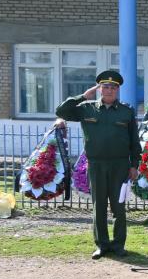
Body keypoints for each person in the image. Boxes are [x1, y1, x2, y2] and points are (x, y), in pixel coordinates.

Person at [54, 70, 140, 259]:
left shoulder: (126, 111)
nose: (109, 90)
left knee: (119, 207)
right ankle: (102, 245)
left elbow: (135, 142)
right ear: (99, 88)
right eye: (105, 87)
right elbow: (61, 111)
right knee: (98, 206)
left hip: (119, 166)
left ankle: (118, 245)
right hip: (96, 165)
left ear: (118, 90)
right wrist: (83, 96)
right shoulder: (87, 108)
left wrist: (134, 165)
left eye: (113, 87)